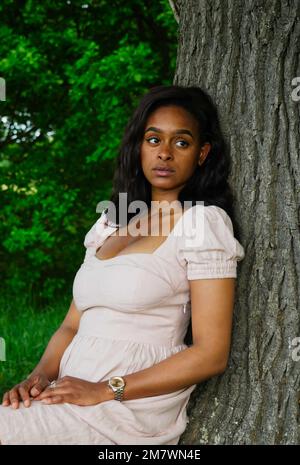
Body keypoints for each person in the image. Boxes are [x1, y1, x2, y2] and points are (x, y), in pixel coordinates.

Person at [0, 84, 245, 445]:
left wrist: (104, 389)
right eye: (153, 139)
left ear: (202, 153)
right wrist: (37, 377)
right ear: (139, 146)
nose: (164, 153)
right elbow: (71, 325)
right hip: (66, 392)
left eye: (181, 142)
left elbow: (210, 354)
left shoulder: (202, 223)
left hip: (125, 407)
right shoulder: (111, 221)